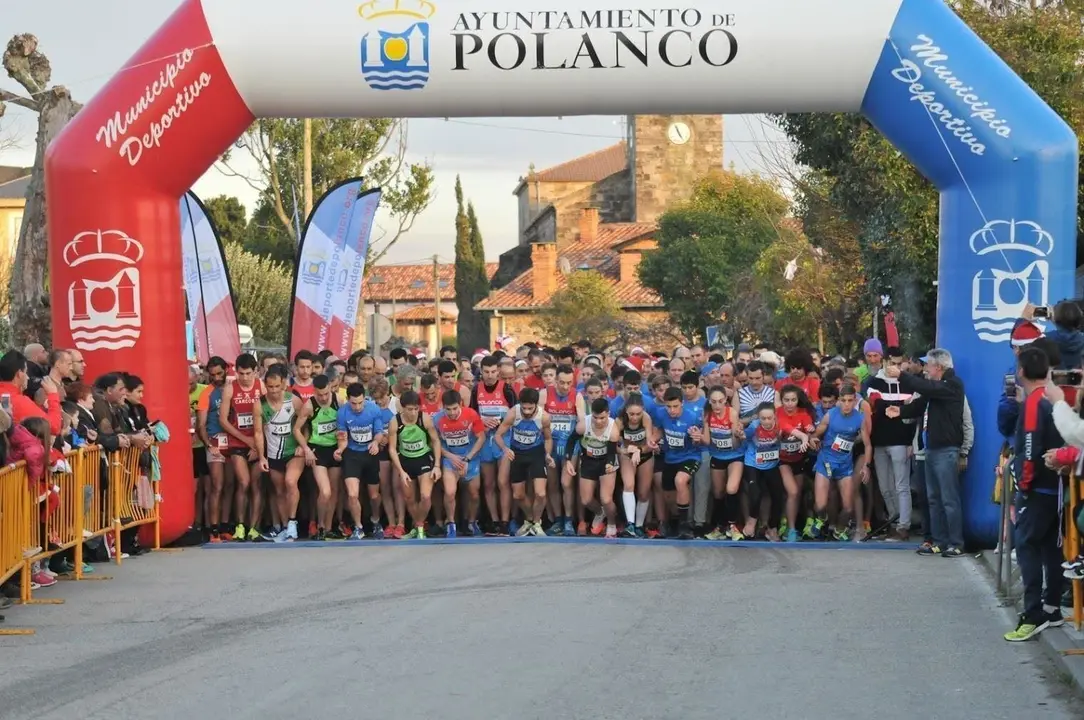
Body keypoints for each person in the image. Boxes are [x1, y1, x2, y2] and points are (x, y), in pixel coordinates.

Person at [1003, 347, 1066, 641]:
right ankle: (1052, 608)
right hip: (1060, 486)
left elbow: (1029, 450)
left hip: (1037, 488)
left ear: (1021, 372)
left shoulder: (1033, 403)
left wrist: (1024, 486)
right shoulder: (1057, 398)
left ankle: (1032, 613)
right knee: (1052, 547)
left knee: (1026, 545)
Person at [885, 349, 966, 557]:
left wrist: (902, 375)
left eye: (928, 366)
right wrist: (900, 411)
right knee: (934, 500)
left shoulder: (952, 384)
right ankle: (938, 541)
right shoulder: (934, 390)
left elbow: (925, 386)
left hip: (947, 450)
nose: (926, 370)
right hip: (931, 449)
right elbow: (919, 406)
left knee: (949, 499)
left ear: (938, 367)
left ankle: (956, 542)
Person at [253, 364, 305, 542]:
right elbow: (258, 433)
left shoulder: (294, 401)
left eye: (277, 386)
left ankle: (292, 523)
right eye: (270, 387)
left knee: (290, 482)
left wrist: (303, 446)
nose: (274, 391)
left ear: (283, 384)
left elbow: (306, 425)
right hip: (274, 453)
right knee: (280, 490)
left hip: (293, 453)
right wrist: (262, 456)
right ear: (265, 385)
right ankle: (285, 527)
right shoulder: (259, 404)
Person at [493, 387, 555, 537]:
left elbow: (547, 439)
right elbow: (498, 435)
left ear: (536, 405)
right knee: (518, 495)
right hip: (517, 454)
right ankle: (530, 520)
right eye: (524, 408)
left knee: (540, 493)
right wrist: (505, 449)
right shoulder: (513, 413)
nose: (526, 411)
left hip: (536, 453)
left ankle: (537, 522)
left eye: (530, 408)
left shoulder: (544, 417)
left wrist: (547, 455)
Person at [335, 382, 387, 540]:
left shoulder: (373, 409)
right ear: (347, 400)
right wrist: (340, 450)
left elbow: (379, 433)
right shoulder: (342, 413)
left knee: (374, 496)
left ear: (365, 399)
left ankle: (376, 520)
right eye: (353, 403)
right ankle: (359, 527)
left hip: (370, 453)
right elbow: (342, 438)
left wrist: (376, 443)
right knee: (352, 494)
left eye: (360, 403)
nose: (357, 407)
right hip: (352, 454)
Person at [386, 390, 442, 539]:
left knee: (425, 496)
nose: (413, 412)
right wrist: (401, 471)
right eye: (410, 409)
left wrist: (437, 465)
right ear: (402, 408)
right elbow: (391, 448)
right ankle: (419, 526)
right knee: (409, 499)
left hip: (423, 458)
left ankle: (418, 525)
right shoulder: (395, 422)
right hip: (405, 461)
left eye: (416, 409)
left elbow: (435, 441)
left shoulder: (425, 419)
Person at [293, 374, 341, 541]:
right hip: (318, 449)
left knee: (334, 491)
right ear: (314, 392)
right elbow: (297, 429)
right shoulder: (309, 405)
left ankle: (328, 527)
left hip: (335, 449)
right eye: (319, 394)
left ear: (330, 389)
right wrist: (306, 449)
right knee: (325, 492)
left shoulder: (338, 400)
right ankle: (320, 525)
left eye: (326, 393)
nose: (323, 397)